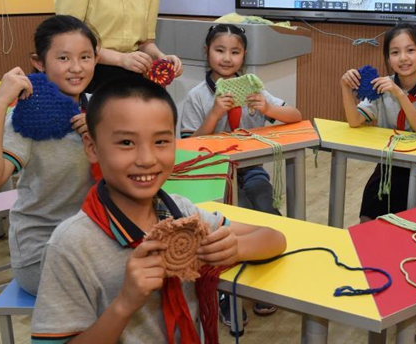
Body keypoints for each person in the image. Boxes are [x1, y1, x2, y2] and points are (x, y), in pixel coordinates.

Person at [30, 77, 286, 343]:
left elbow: (274, 239)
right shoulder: (70, 246)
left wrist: (236, 248)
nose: (147, 159)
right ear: (92, 148)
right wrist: (124, 305)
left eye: (161, 142)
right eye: (126, 143)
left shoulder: (180, 214)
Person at [179, 23, 302, 321]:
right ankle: (223, 292)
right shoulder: (198, 95)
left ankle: (265, 280)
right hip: (210, 173)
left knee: (264, 207)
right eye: (219, 50)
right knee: (217, 227)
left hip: (250, 167)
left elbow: (296, 116)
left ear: (243, 55)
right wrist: (214, 114)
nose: (226, 58)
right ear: (207, 52)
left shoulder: (253, 86)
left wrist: (269, 109)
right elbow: (188, 144)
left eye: (234, 52)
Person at [0, 15, 98, 295]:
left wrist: (104, 136)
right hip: (42, 250)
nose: (76, 68)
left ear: (96, 59)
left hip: (94, 237)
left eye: (85, 57)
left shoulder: (102, 109)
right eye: (63, 58)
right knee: (121, 281)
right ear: (39, 63)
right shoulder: (29, 118)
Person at [340, 23, 416, 221]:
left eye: (410, 50)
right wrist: (345, 87)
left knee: (414, 228)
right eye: (395, 52)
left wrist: (399, 94)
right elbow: (355, 121)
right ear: (388, 59)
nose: (403, 58)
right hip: (389, 169)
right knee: (366, 220)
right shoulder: (382, 85)